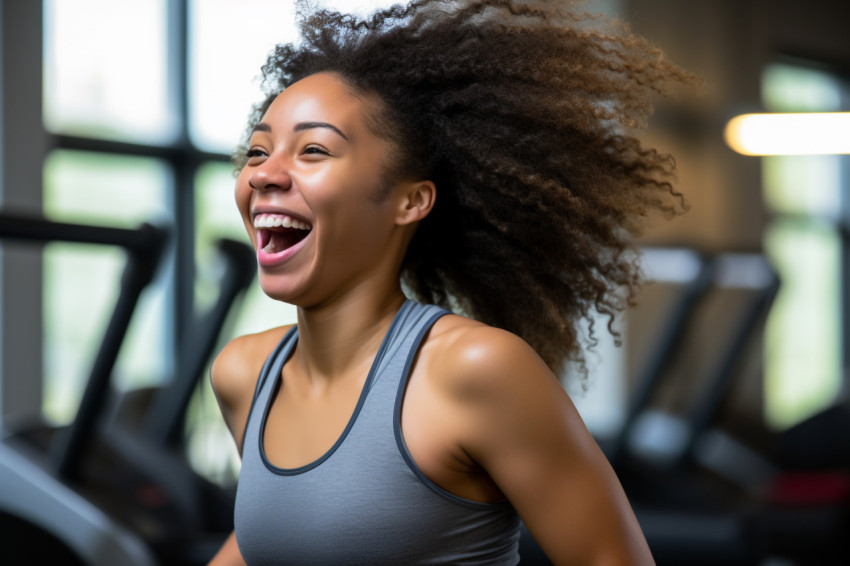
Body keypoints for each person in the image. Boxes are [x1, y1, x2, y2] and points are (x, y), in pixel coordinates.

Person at [209, 1, 695, 564]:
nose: (265, 173)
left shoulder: (476, 370)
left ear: (410, 201)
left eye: (314, 150)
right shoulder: (244, 375)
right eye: (259, 151)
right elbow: (283, 534)